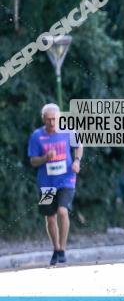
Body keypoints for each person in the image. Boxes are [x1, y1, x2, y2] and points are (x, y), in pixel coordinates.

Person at [29, 103, 83, 266]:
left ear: (59, 118)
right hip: (46, 183)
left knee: (62, 210)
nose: (52, 123)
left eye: (55, 119)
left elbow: (79, 145)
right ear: (43, 119)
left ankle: (63, 248)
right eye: (48, 120)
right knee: (50, 217)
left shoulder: (68, 131)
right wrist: (45, 157)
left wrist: (77, 161)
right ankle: (56, 248)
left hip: (66, 179)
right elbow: (33, 161)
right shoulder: (37, 136)